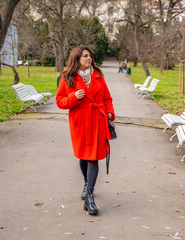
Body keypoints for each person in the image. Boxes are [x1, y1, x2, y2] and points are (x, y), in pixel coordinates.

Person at [56, 45, 115, 215]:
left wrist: (110, 112)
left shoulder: (98, 75)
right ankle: (86, 183)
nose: (89, 59)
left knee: (93, 158)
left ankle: (89, 196)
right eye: (85, 56)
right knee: (83, 156)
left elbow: (107, 98)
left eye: (90, 56)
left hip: (97, 120)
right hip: (80, 122)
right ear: (77, 59)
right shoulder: (67, 77)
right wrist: (73, 97)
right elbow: (60, 101)